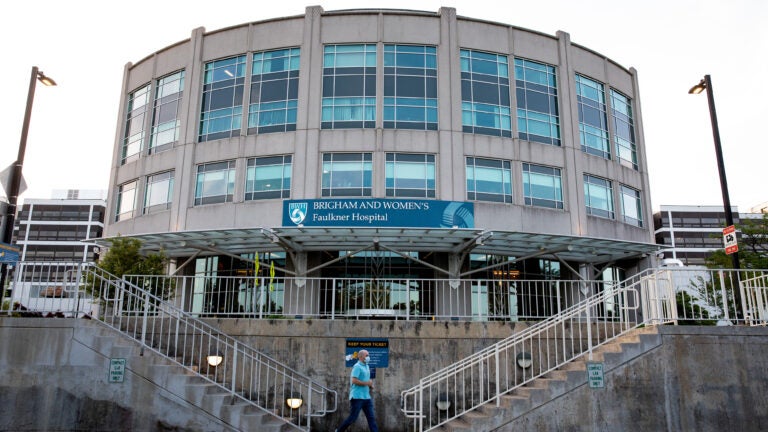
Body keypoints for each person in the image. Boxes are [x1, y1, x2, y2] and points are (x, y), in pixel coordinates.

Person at [335, 349, 379, 432]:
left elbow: (365, 380)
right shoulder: (357, 366)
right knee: (352, 418)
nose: (368, 357)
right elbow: (354, 381)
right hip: (357, 397)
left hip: (366, 397)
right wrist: (367, 383)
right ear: (361, 357)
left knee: (371, 418)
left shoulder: (367, 366)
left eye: (368, 355)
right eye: (367, 355)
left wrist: (370, 385)